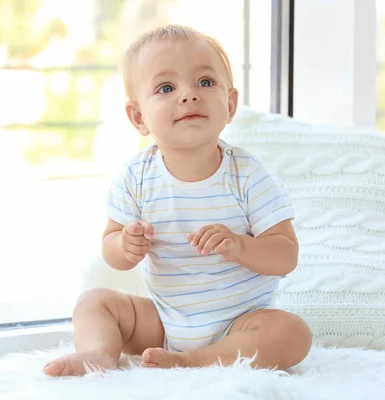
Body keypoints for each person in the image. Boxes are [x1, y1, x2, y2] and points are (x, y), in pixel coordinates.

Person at [44, 24, 312, 377]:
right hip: (165, 322)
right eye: (166, 88)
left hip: (241, 325)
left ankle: (193, 361)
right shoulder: (137, 177)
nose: (188, 95)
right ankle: (98, 353)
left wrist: (242, 247)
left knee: (293, 334)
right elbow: (110, 247)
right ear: (138, 117)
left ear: (230, 104)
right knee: (93, 303)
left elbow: (286, 255)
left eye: (204, 82)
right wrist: (126, 245)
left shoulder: (247, 174)